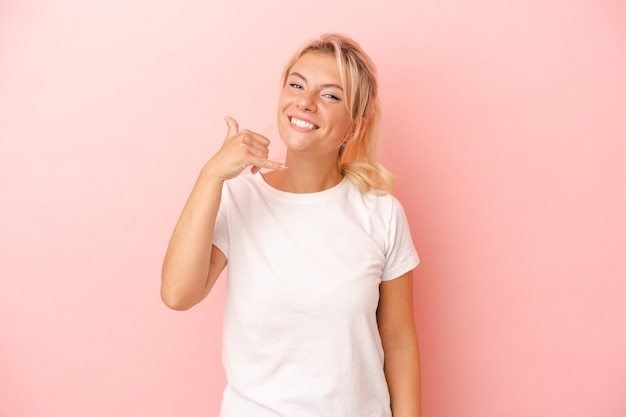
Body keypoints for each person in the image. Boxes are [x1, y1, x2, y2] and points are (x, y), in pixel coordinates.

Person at [161, 33, 421, 417]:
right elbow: (178, 294)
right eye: (296, 85)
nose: (305, 102)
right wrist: (212, 175)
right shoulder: (238, 198)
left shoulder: (381, 213)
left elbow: (399, 342)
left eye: (330, 95)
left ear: (354, 128)